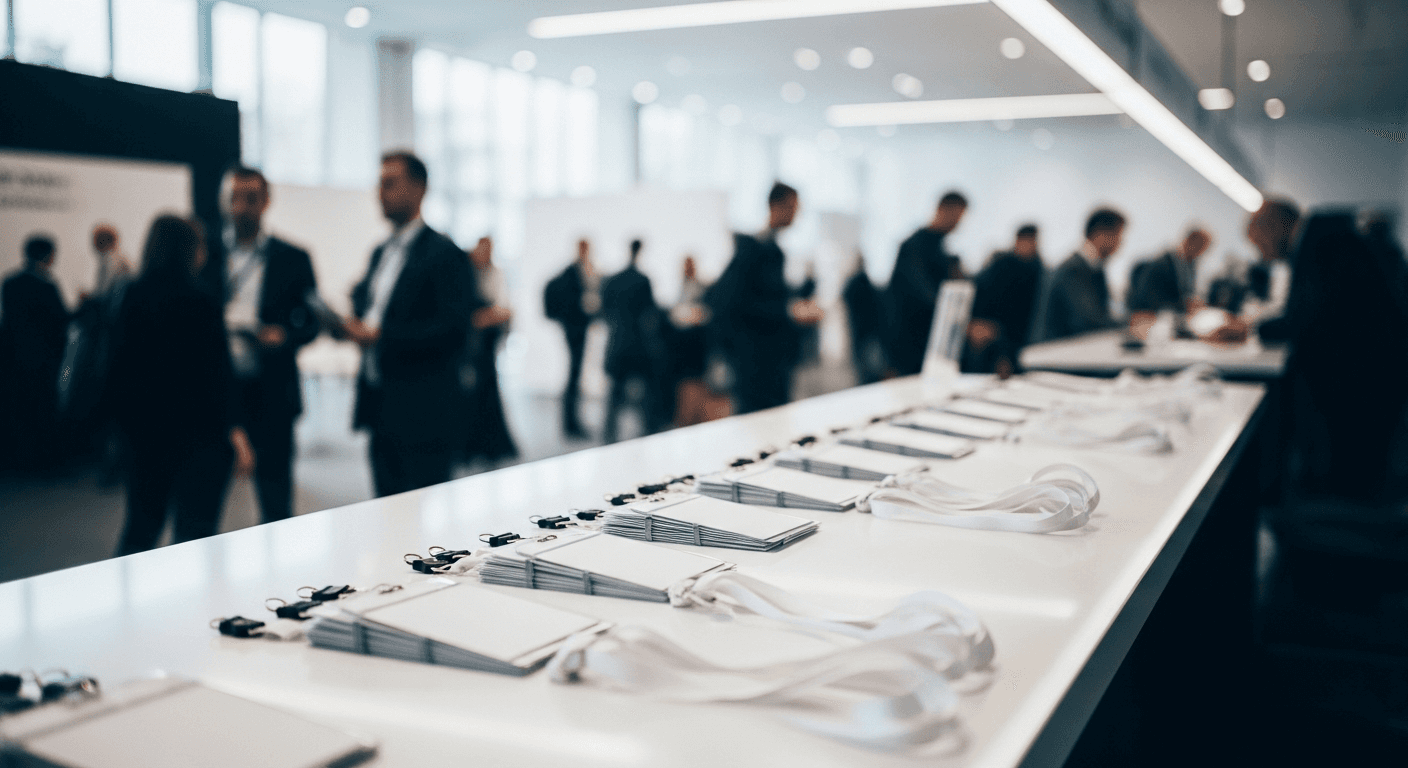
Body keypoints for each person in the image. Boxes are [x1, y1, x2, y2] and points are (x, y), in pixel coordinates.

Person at [107, 215, 255, 555]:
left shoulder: (131, 296)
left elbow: (117, 371)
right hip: (199, 438)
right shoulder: (202, 301)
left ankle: (122, 587)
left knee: (141, 527)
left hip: (145, 436)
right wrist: (237, 433)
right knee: (195, 534)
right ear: (189, 250)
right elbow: (218, 376)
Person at [343, 152, 480, 497]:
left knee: (425, 511)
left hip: (424, 411)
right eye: (379, 184)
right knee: (385, 504)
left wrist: (380, 336)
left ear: (419, 189)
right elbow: (372, 305)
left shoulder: (445, 254)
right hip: (380, 400)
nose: (380, 192)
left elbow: (453, 331)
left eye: (390, 183)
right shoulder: (381, 251)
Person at [200, 166, 320, 524]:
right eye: (233, 198)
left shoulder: (293, 257)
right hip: (215, 391)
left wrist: (285, 336)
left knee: (276, 502)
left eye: (250, 199)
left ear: (266, 201)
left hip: (272, 392)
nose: (240, 208)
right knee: (201, 503)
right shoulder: (204, 253)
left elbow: (312, 323)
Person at [706, 182, 822, 414]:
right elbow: (733, 302)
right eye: (792, 207)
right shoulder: (753, 249)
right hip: (756, 362)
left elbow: (767, 295)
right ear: (775, 206)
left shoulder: (771, 250)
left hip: (772, 359)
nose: (796, 214)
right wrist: (788, 311)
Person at [1, 235, 70, 472]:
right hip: (43, 358)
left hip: (14, 355)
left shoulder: (9, 282)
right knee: (44, 407)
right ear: (49, 256)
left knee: (21, 407)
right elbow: (60, 319)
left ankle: (22, 461)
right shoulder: (47, 285)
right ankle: (45, 462)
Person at [884, 191, 968, 376]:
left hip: (929, 341)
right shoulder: (913, 247)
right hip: (909, 343)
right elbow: (924, 294)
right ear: (942, 209)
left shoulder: (942, 250)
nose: (958, 224)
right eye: (956, 217)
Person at [600, 239, 664, 443]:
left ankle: (609, 436)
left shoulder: (612, 280)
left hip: (617, 342)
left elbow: (604, 310)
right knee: (644, 393)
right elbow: (650, 314)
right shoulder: (642, 280)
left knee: (615, 393)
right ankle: (647, 433)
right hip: (637, 343)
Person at [462, 236, 518, 465]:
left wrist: (480, 319)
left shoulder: (496, 274)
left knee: (486, 393)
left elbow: (504, 310)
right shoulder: (465, 274)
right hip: (468, 345)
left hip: (484, 345)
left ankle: (488, 446)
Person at [965, 224, 1046, 376]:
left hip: (1020, 341)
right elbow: (983, 300)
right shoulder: (1001, 266)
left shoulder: (1038, 271)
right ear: (1018, 241)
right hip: (994, 337)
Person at [1040, 208, 1126, 341]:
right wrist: (1130, 324)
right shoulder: (1073, 270)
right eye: (1118, 236)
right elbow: (1086, 322)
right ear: (1100, 234)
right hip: (1056, 350)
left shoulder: (1094, 268)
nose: (1120, 243)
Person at [543, 239, 599, 439]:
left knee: (575, 376)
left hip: (577, 328)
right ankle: (570, 424)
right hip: (575, 329)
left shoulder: (582, 270)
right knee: (573, 376)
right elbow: (580, 301)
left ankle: (573, 422)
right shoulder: (572, 272)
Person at [669, 255, 713, 426]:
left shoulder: (700, 288)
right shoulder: (681, 288)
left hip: (695, 346)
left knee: (693, 384)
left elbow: (705, 314)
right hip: (682, 348)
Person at [1127, 228, 1211, 314]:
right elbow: (1151, 299)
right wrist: (1183, 305)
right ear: (1189, 241)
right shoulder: (1162, 265)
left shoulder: (1189, 267)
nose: (1201, 253)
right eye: (1200, 247)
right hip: (1153, 315)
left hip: (1176, 315)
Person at [842, 254, 884, 385]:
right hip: (867, 331)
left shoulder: (855, 282)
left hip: (861, 330)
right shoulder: (864, 282)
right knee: (868, 367)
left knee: (865, 366)